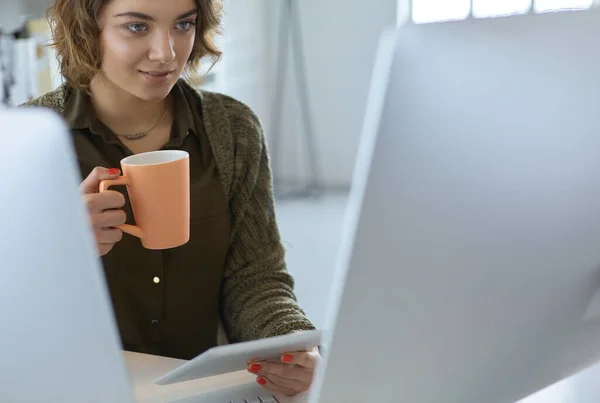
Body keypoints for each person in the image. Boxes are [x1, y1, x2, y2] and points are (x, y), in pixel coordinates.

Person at [22, 0, 319, 396]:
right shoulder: (23, 142)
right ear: (88, 29)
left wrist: (290, 343)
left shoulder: (233, 129)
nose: (167, 53)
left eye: (183, 25)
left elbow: (255, 277)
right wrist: (52, 247)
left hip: (202, 391)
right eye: (137, 27)